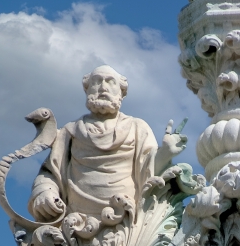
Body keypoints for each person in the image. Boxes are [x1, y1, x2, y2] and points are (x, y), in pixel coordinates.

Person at [28, 65, 187, 220]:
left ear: (121, 92)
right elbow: (50, 172)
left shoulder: (137, 127)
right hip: (77, 223)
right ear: (87, 89)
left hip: (127, 219)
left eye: (110, 82)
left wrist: (166, 153)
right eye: (97, 81)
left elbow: (149, 171)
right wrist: (45, 192)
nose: (103, 87)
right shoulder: (70, 131)